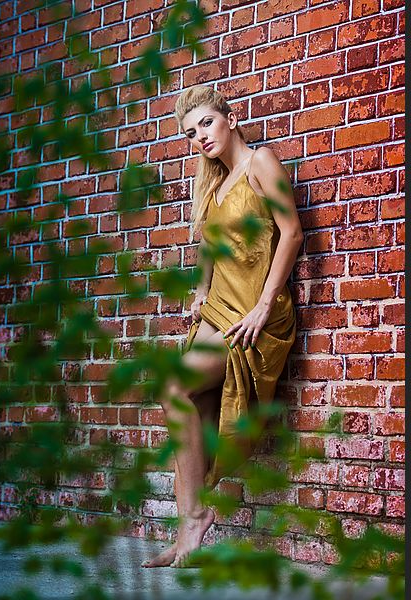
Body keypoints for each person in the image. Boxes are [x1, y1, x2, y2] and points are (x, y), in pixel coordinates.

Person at [142, 84, 303, 568]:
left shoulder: (261, 163)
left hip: (256, 311)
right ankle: (188, 523)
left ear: (230, 118)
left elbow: (292, 232)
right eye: (191, 133)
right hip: (219, 310)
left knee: (175, 387)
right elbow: (211, 248)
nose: (200, 137)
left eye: (206, 124)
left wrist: (263, 305)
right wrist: (200, 290)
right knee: (178, 397)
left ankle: (192, 520)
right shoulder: (214, 182)